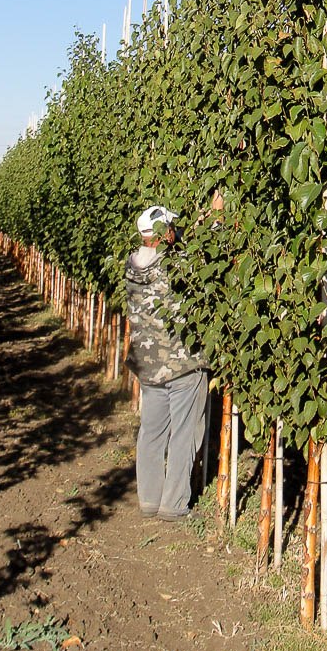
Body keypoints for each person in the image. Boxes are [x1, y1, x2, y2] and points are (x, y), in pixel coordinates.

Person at [125, 205, 207, 520]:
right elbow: (201, 253)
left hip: (147, 365)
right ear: (164, 233)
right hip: (181, 365)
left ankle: (149, 498)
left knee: (151, 431)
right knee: (184, 433)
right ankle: (173, 505)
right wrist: (209, 218)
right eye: (172, 227)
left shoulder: (132, 266)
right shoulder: (173, 267)